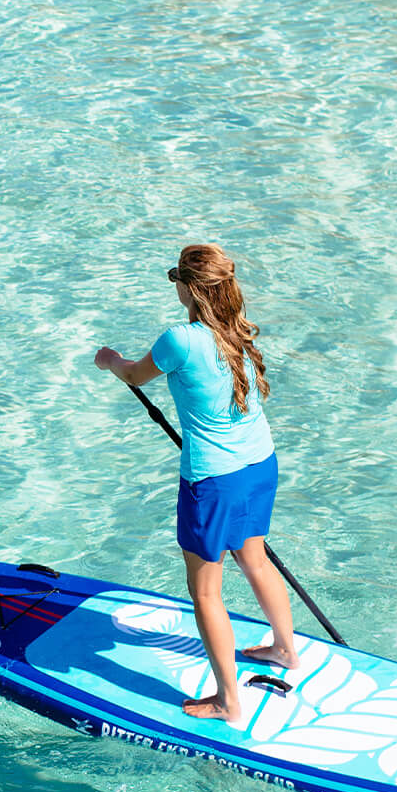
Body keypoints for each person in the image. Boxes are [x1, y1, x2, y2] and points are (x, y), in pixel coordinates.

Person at [93, 244, 300, 721]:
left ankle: (229, 702)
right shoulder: (238, 328)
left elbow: (136, 375)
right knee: (254, 556)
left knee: (206, 592)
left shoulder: (179, 339)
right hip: (260, 464)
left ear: (187, 288)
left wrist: (109, 361)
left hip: (213, 480)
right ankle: (285, 650)